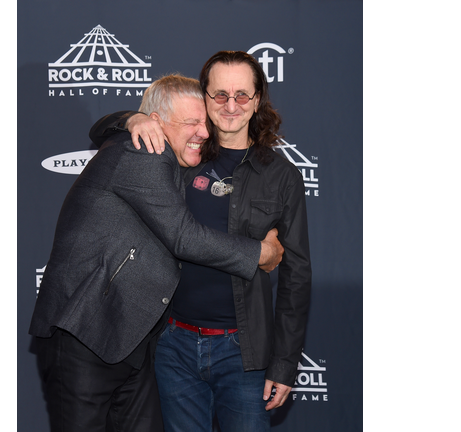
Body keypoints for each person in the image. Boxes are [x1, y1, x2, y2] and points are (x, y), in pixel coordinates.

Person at [29, 74, 284, 432]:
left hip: (128, 340)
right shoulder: (145, 151)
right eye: (192, 122)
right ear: (157, 123)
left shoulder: (169, 159)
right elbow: (184, 238)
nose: (204, 132)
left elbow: (105, 128)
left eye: (205, 121)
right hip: (86, 333)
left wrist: (125, 117)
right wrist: (260, 252)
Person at [89, 51, 312, 432]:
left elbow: (296, 277)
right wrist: (135, 117)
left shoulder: (282, 176)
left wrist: (285, 363)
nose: (230, 106)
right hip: (173, 345)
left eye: (242, 95)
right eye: (219, 95)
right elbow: (101, 132)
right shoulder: (178, 155)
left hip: (244, 353)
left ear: (257, 99)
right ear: (205, 98)